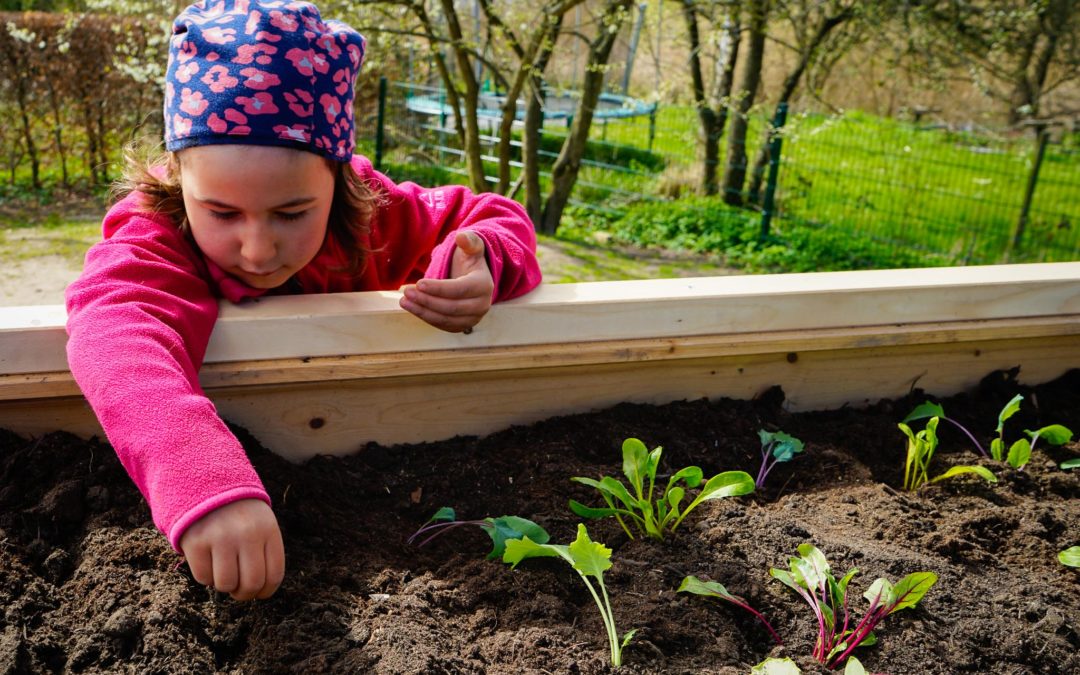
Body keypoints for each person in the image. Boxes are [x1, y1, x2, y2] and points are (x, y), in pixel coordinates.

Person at [65, 0, 541, 603]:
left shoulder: (371, 215)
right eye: (221, 213)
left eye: (292, 213)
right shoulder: (156, 233)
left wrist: (483, 259)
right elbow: (114, 325)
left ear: (338, 180)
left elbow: (491, 216)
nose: (257, 249)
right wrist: (200, 477)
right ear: (179, 179)